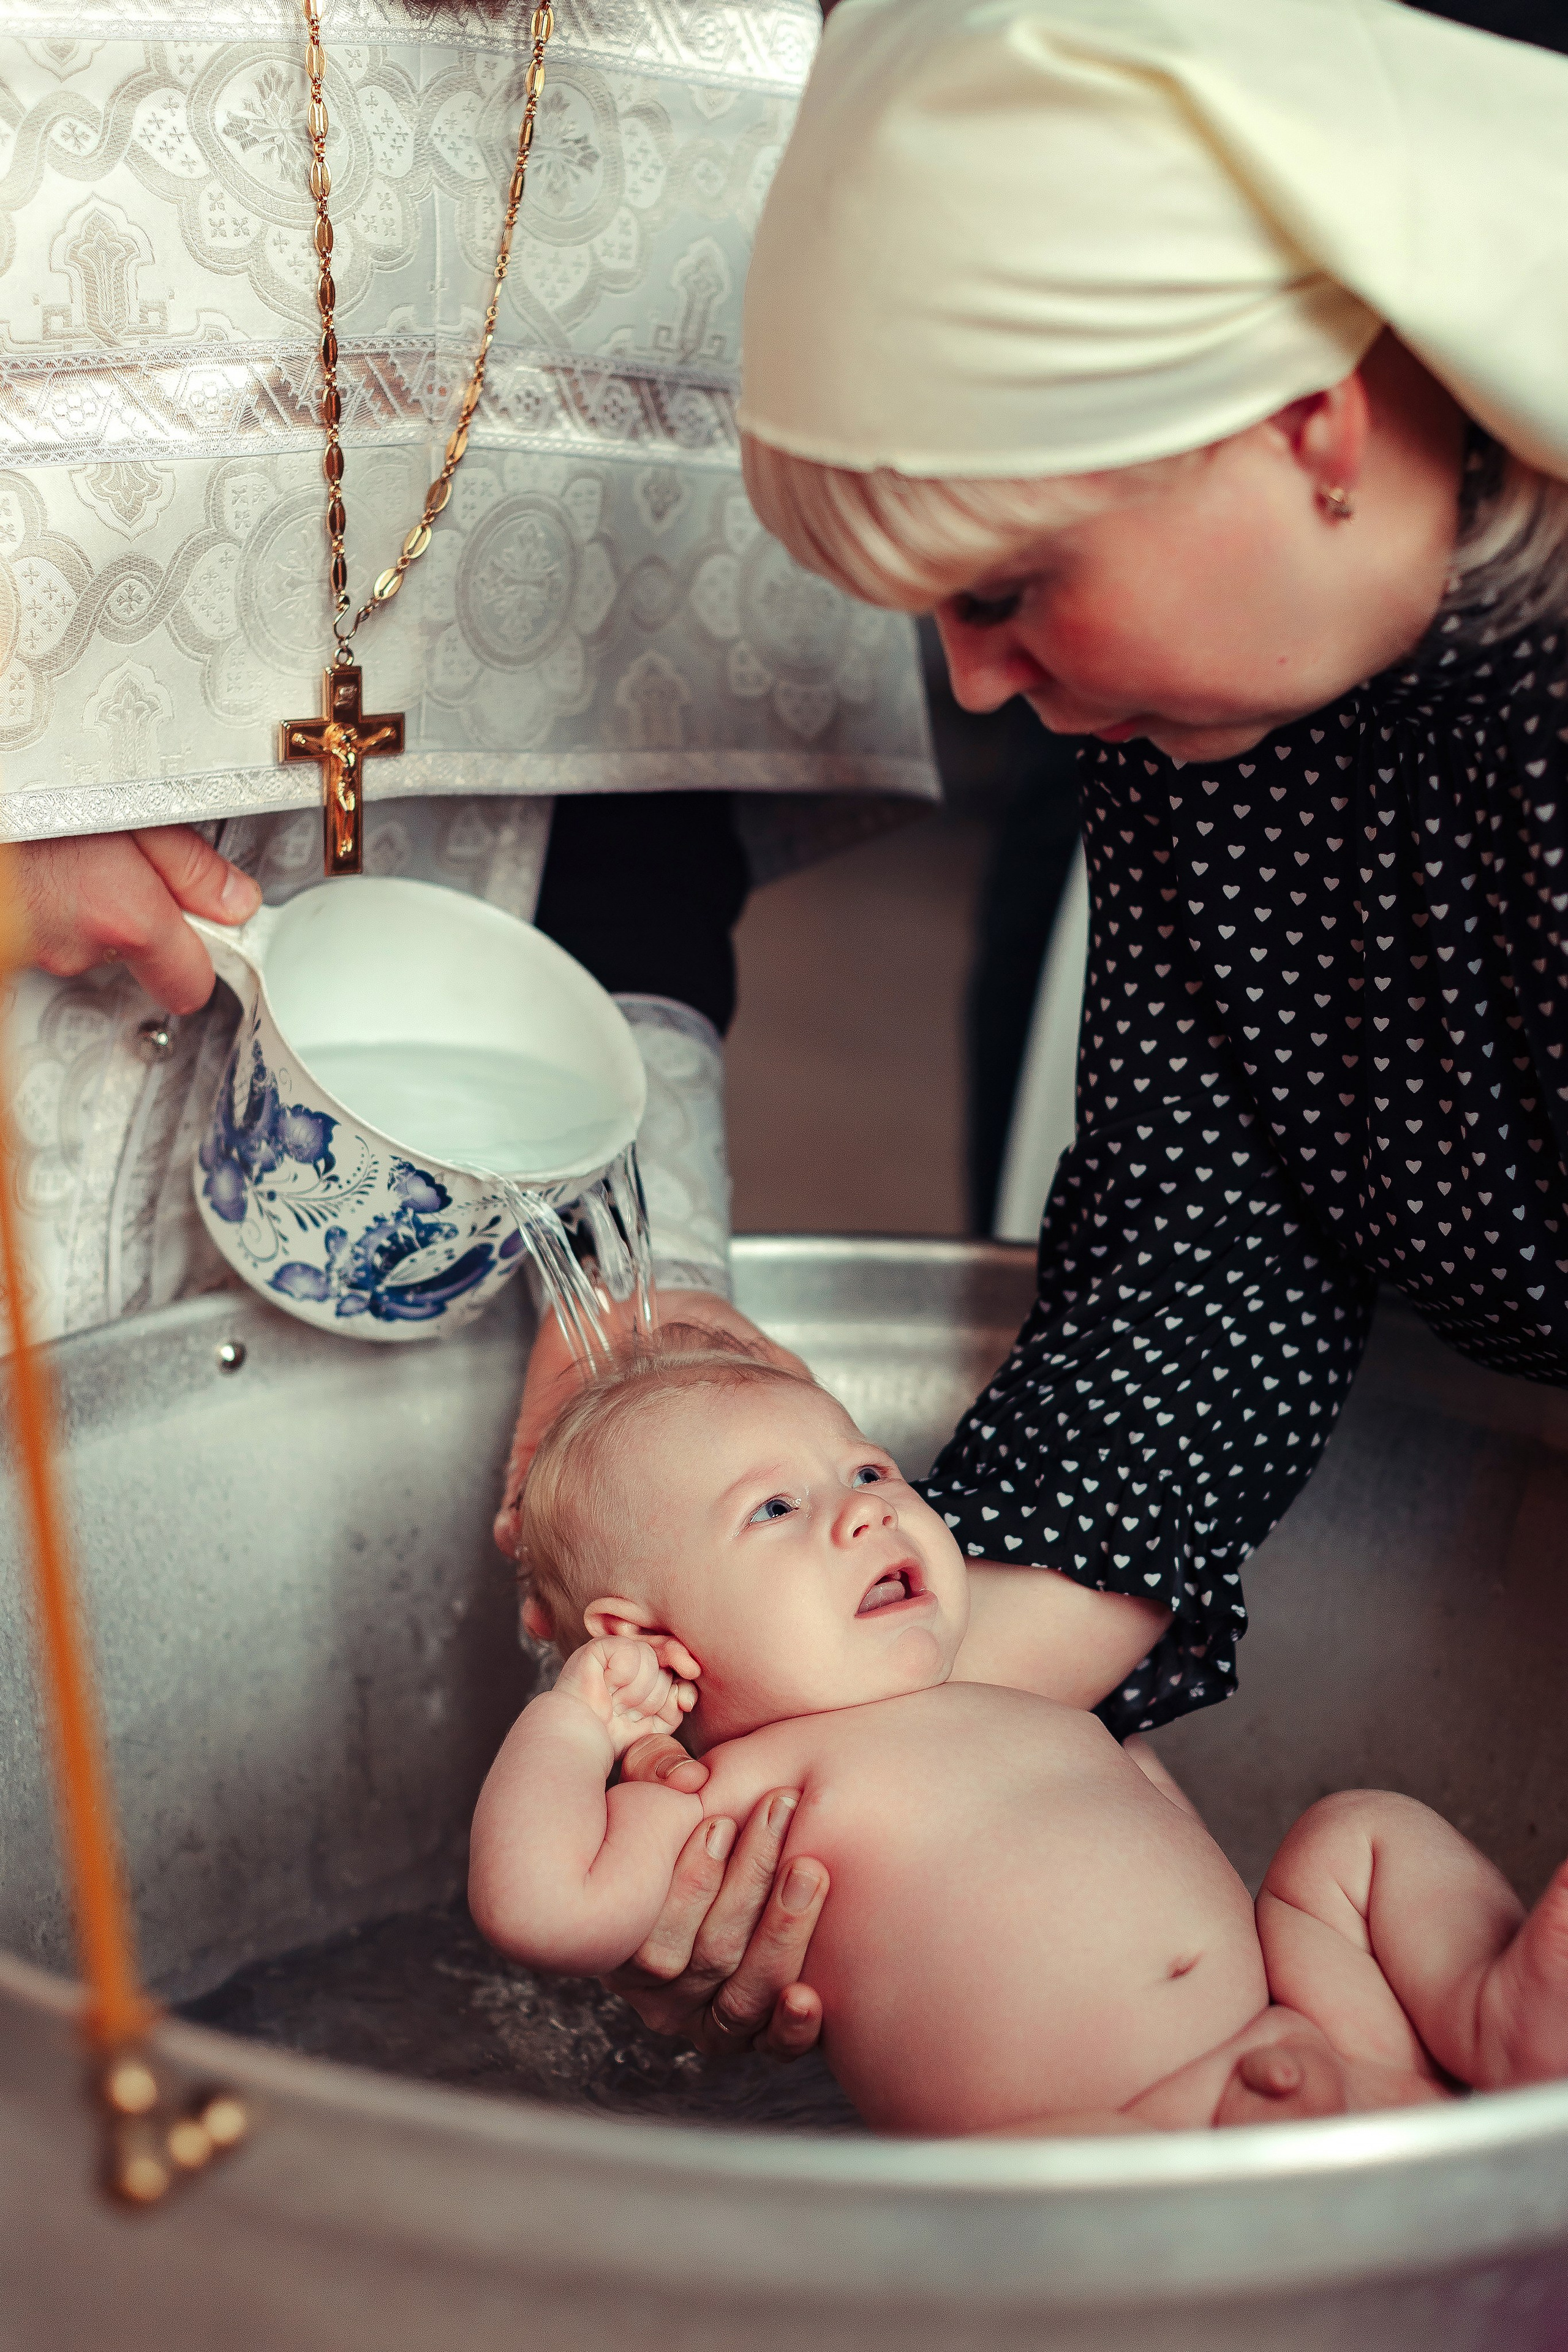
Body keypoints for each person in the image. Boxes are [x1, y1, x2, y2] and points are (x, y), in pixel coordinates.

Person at [469, 1332, 1568, 2134]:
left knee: (1355, 1837)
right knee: (957, 2225)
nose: (867, 1509)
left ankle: (1489, 2016)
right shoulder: (725, 1794)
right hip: (1108, 2149)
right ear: (650, 1640)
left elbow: (1162, 1840)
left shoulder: (1024, 1689)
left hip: (1315, 2032)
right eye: (775, 1509)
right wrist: (574, 1720)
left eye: (868, 1469)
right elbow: (539, 1905)